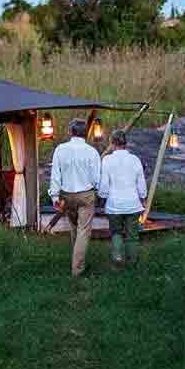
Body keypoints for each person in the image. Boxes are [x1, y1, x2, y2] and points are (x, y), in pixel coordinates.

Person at [48, 118, 101, 277]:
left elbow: (55, 175)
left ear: (70, 132)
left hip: (66, 195)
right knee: (83, 231)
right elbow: (97, 178)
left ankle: (76, 260)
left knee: (74, 228)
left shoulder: (60, 149)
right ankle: (77, 269)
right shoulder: (92, 152)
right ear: (86, 133)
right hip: (86, 195)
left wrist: (55, 196)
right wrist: (98, 192)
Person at [98, 130, 148, 268]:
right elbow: (141, 184)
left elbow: (104, 185)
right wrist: (143, 198)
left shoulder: (107, 160)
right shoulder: (135, 159)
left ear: (112, 143)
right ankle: (133, 263)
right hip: (133, 204)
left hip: (114, 205)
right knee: (133, 236)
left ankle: (118, 257)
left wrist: (102, 197)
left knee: (116, 232)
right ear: (126, 143)